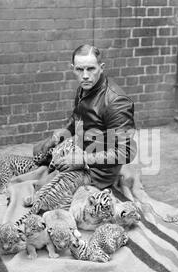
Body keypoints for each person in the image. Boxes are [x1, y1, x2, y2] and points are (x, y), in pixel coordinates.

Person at [33, 44, 137, 190]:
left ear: (101, 67)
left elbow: (125, 152)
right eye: (80, 69)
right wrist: (56, 139)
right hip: (82, 148)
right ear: (73, 68)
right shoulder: (84, 88)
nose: (85, 75)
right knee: (38, 150)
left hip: (99, 169)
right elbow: (76, 118)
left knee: (42, 190)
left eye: (91, 69)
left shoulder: (116, 102)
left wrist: (82, 160)